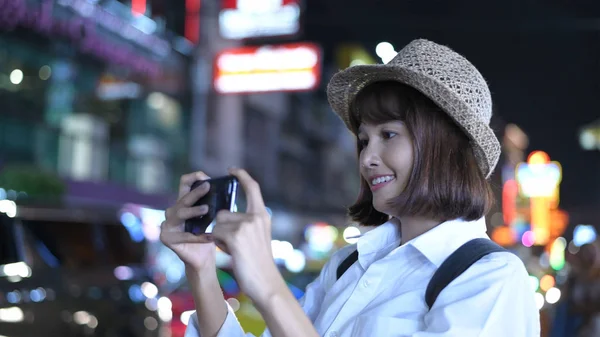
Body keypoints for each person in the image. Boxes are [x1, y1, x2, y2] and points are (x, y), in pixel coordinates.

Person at [160, 39, 540, 337]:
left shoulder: (491, 279)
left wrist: (268, 282)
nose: (367, 158)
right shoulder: (347, 265)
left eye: (388, 134)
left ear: (444, 147)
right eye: (363, 140)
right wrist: (203, 270)